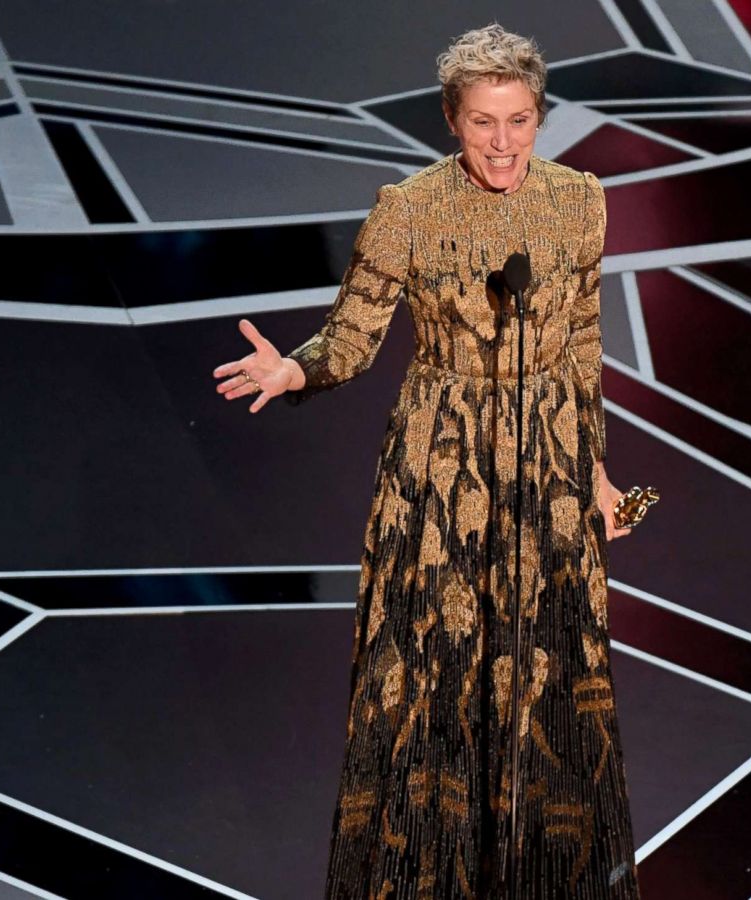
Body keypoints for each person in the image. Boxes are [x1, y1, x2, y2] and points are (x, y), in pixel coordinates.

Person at [210, 24, 641, 899]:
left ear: (539, 117)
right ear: (452, 118)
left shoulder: (579, 200)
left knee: (547, 682)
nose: (502, 143)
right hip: (442, 468)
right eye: (483, 120)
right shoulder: (409, 208)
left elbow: (584, 345)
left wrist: (594, 472)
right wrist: (295, 366)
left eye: (519, 120)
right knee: (437, 682)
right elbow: (355, 332)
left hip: (548, 463)